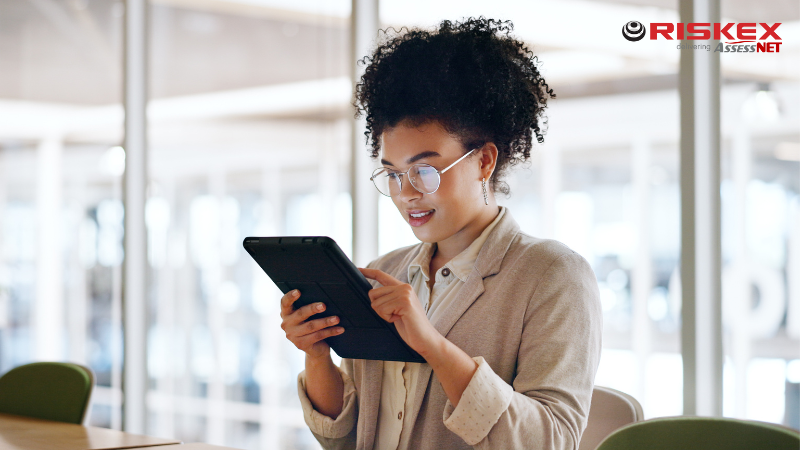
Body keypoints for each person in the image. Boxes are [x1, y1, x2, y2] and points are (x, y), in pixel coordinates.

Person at [279, 17, 602, 450]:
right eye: (392, 174)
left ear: (485, 161)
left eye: (425, 171)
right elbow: (351, 438)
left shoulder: (552, 276)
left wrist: (432, 345)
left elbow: (552, 440)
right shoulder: (385, 271)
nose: (406, 193)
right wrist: (317, 354)